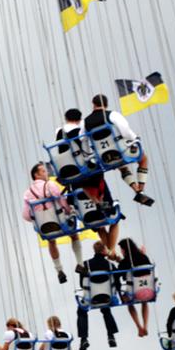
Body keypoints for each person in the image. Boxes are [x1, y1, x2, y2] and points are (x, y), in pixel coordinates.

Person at [56, 109, 121, 254]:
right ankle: (111, 250)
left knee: (97, 224)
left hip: (74, 178)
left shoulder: (59, 132)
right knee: (113, 216)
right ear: (80, 119)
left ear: (66, 118)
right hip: (90, 174)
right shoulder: (82, 130)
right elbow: (89, 150)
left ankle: (111, 251)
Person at [86, 94, 153, 206]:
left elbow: (83, 140)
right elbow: (126, 131)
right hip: (119, 153)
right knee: (143, 159)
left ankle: (136, 190)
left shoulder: (86, 121)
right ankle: (141, 189)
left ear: (93, 104)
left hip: (104, 158)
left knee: (122, 168)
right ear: (106, 104)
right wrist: (135, 139)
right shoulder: (112, 115)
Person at [22, 162, 83, 284]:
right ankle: (80, 264)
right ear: (36, 174)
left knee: (51, 241)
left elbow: (26, 216)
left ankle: (59, 270)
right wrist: (68, 210)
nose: (47, 173)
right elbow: (61, 200)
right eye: (44, 171)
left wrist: (38, 219)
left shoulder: (27, 193)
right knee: (74, 235)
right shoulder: (50, 184)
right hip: (60, 224)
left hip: (45, 229)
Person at [76, 241, 120, 350]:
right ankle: (111, 336)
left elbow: (82, 284)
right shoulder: (110, 265)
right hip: (107, 298)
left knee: (81, 311)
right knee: (106, 310)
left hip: (92, 299)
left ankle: (84, 339)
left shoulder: (85, 264)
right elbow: (117, 283)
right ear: (104, 251)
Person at [116, 238, 152, 337]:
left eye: (121, 250)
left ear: (124, 249)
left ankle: (138, 326)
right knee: (144, 302)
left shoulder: (126, 261)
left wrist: (119, 261)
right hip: (148, 291)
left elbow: (118, 275)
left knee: (128, 301)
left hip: (133, 294)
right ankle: (145, 326)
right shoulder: (144, 257)